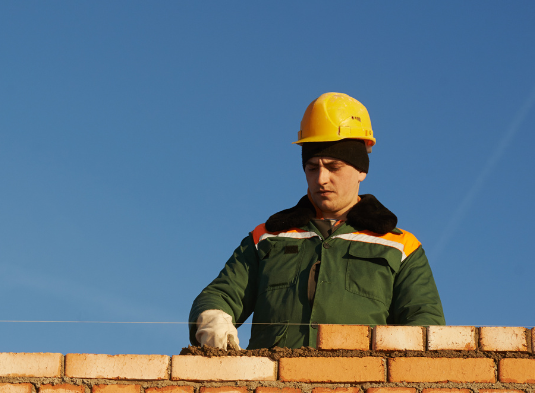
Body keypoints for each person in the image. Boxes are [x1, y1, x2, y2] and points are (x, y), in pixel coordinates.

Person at [189, 92, 444, 350]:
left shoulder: (401, 247)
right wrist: (212, 321)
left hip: (359, 386)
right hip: (274, 387)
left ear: (361, 170)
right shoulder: (266, 238)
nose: (321, 179)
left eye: (333, 167)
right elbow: (220, 295)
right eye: (312, 168)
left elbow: (425, 324)